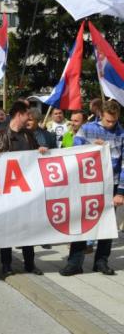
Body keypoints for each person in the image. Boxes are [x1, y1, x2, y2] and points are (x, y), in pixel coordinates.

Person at [60, 100, 124, 276]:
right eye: (108, 121)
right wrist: (90, 147)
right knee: (82, 221)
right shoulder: (87, 129)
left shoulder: (121, 132)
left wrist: (121, 192)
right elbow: (73, 150)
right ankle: (75, 262)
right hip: (88, 183)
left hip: (112, 183)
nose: (112, 124)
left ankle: (101, 261)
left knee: (107, 224)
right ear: (100, 116)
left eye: (114, 120)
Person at [0, 101, 47, 278]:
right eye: (27, 114)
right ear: (19, 114)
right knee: (6, 228)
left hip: (26, 191)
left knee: (28, 227)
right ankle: (6, 264)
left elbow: (36, 154)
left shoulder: (29, 135)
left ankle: (30, 263)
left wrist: (42, 150)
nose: (29, 118)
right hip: (6, 191)